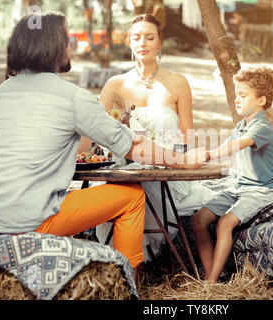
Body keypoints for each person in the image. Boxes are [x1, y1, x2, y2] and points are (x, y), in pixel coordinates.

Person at [0, 12, 205, 280]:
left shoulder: (1, 93)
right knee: (133, 196)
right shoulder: (72, 97)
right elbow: (132, 146)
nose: (71, 45)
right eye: (67, 40)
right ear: (53, 47)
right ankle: (126, 284)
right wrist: (181, 160)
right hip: (29, 219)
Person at [78, 14, 218, 262]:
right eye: (137, 37)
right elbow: (95, 130)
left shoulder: (177, 83)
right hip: (127, 169)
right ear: (130, 42)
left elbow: (187, 137)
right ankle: (129, 266)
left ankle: (139, 263)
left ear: (160, 43)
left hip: (168, 169)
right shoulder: (115, 85)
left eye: (149, 37)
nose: (143, 42)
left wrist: (178, 159)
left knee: (153, 191)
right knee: (125, 191)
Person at [192, 67, 273, 283]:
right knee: (198, 220)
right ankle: (212, 275)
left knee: (225, 223)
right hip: (239, 186)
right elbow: (227, 146)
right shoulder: (241, 125)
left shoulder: (263, 127)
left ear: (261, 100)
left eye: (243, 95)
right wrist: (202, 158)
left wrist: (210, 153)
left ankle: (211, 285)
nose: (236, 100)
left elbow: (239, 144)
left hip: (261, 190)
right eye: (236, 95)